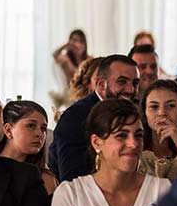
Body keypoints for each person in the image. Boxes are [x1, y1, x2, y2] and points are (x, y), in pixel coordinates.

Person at [50, 54, 139, 183]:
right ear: (101, 84)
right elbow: (73, 180)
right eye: (122, 81)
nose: (131, 90)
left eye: (135, 83)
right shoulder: (75, 117)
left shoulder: (133, 114)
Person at [138, 79, 177, 180]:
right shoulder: (136, 144)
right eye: (154, 107)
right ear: (145, 113)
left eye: (170, 106)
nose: (162, 112)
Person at [0, 100, 57, 194]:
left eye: (43, 129)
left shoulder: (45, 179)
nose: (40, 134)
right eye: (31, 126)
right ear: (8, 130)